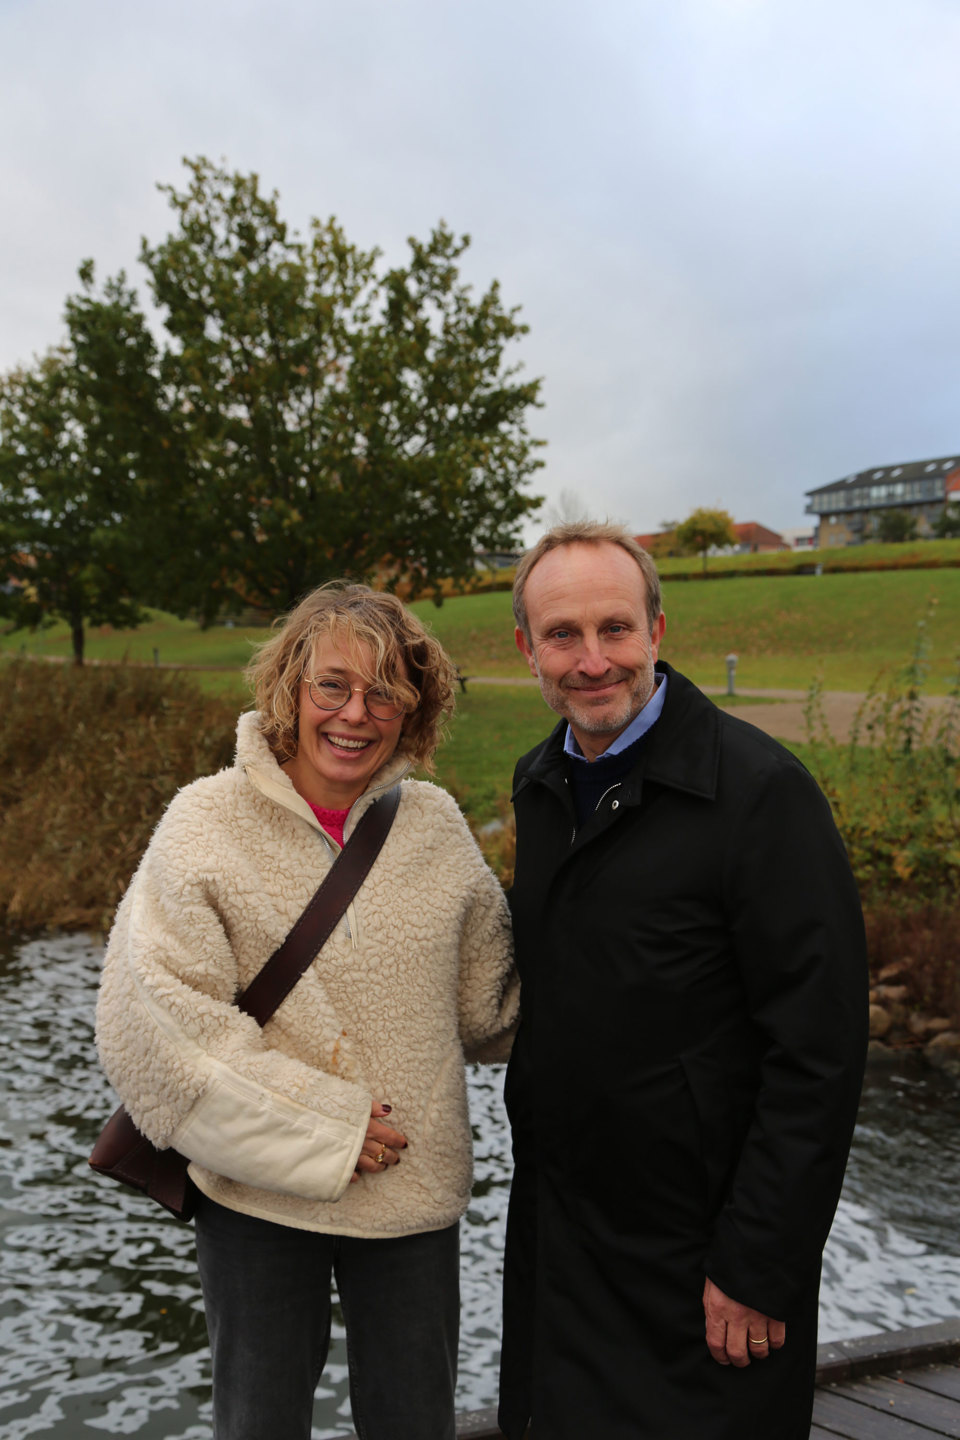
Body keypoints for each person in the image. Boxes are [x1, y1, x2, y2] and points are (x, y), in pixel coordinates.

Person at [96, 582, 518, 1440]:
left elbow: (494, 1008)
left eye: (385, 692)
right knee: (258, 1425)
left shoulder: (435, 827)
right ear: (290, 684)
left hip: (413, 1197)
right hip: (256, 1201)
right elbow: (155, 1024)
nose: (355, 714)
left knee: (415, 1425)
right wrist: (325, 1126)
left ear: (415, 708)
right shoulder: (205, 822)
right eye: (333, 684)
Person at [497, 521, 868, 1440]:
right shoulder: (540, 784)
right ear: (526, 648)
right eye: (563, 635)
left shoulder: (759, 793)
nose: (592, 661)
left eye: (615, 629)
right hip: (566, 1244)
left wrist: (760, 1264)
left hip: (705, 1262)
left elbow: (817, 1053)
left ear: (657, 631)